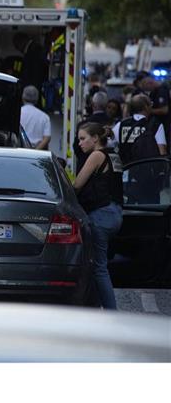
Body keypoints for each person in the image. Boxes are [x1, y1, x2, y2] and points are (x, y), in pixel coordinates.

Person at [73, 122, 123, 310]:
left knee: (99, 267)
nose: (80, 143)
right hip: (115, 213)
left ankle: (111, 314)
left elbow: (77, 185)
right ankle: (96, 309)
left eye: (83, 138)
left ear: (95, 139)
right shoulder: (113, 155)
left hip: (100, 214)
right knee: (98, 265)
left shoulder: (96, 155)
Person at [74, 91, 111, 172]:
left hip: (84, 166)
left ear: (93, 105)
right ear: (106, 106)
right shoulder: (112, 123)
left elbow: (76, 148)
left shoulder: (83, 124)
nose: (80, 143)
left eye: (82, 139)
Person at [20, 85, 51, 150]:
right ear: (37, 98)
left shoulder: (17, 113)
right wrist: (36, 151)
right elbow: (47, 138)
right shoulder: (44, 117)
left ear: (23, 97)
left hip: (20, 149)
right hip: (37, 152)